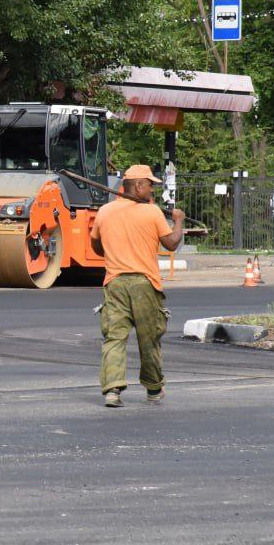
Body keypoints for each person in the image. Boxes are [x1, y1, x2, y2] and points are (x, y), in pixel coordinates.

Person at [89, 164, 185, 408]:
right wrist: (178, 221)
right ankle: (153, 389)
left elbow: (97, 247)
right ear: (138, 185)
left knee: (114, 338)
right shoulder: (151, 213)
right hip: (145, 283)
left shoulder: (105, 212)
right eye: (150, 185)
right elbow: (172, 244)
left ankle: (112, 390)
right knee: (149, 338)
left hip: (115, 283)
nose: (152, 190)